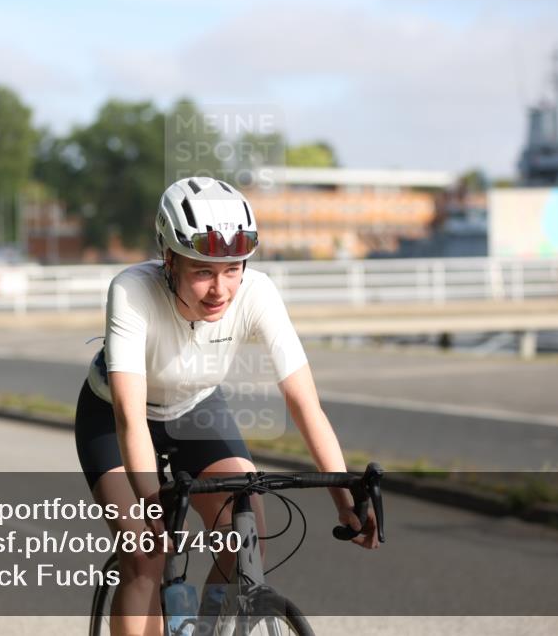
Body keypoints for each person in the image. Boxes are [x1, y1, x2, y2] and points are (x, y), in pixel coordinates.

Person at [75, 177, 378, 636]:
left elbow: (304, 403)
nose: (221, 289)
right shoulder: (132, 291)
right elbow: (129, 418)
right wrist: (153, 511)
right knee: (147, 555)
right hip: (114, 420)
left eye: (232, 269)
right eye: (203, 272)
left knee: (245, 542)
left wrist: (344, 499)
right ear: (170, 259)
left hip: (196, 409)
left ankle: (205, 628)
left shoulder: (258, 293)